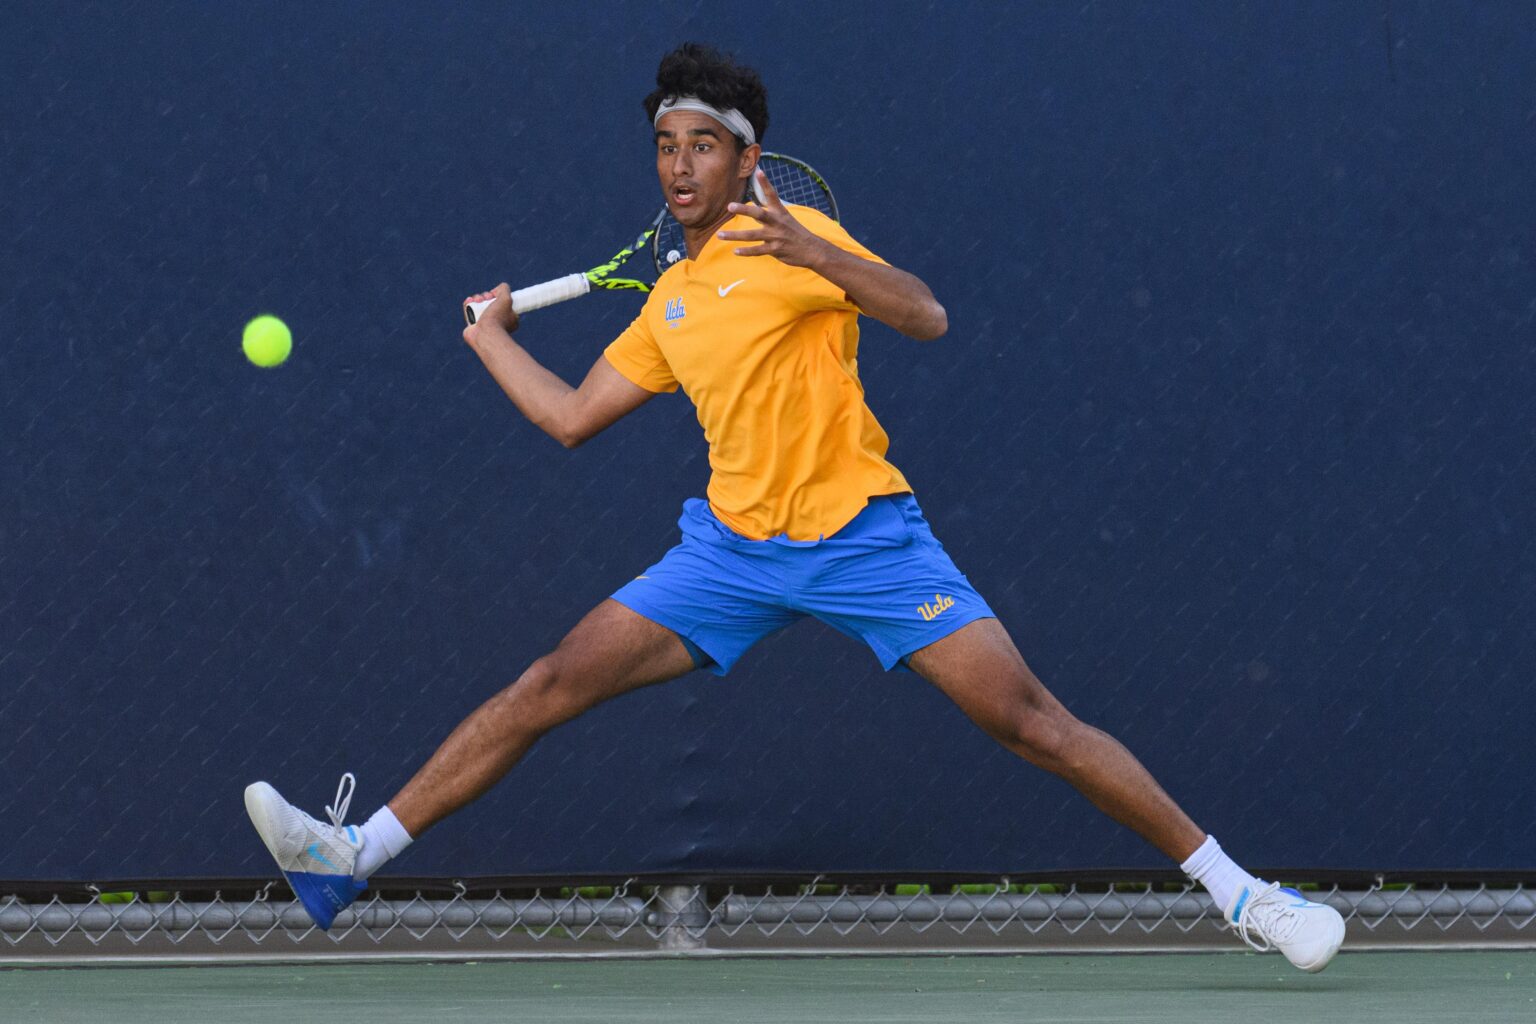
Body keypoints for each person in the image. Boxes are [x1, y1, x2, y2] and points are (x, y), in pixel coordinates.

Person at [244, 42, 1345, 971]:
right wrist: (489, 339)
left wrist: (822, 252)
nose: (681, 166)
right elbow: (574, 417)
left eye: (703, 145)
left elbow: (927, 316)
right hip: (728, 552)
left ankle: (1245, 895)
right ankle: (348, 859)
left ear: (747, 159)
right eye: (667, 146)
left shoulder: (797, 245)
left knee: (1030, 721)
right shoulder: (669, 298)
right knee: (550, 683)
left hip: (866, 540)